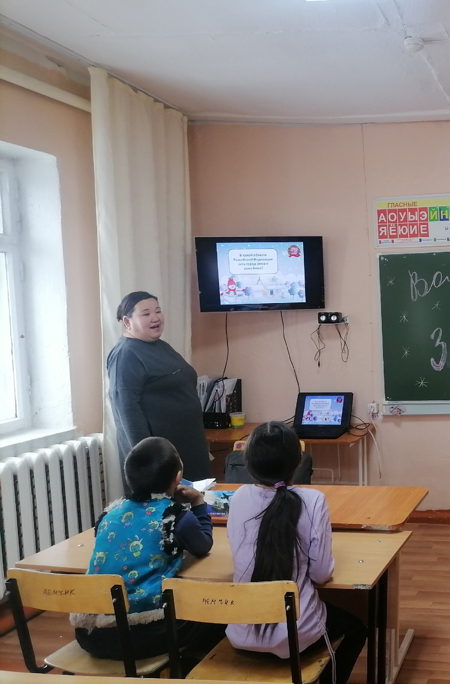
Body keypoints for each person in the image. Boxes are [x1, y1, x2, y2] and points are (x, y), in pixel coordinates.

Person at [226, 422, 367, 684]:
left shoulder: (239, 497)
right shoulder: (312, 500)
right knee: (356, 629)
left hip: (241, 633)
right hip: (295, 635)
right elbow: (321, 574)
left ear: (248, 463)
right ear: (299, 461)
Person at [72, 437, 224, 660]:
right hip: (141, 634)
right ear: (178, 477)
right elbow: (203, 545)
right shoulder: (173, 516)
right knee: (218, 613)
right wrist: (198, 503)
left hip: (90, 634)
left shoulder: (110, 512)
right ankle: (187, 669)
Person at [107, 291, 212, 484]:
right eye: (146, 314)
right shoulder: (126, 355)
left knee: (197, 499)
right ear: (127, 321)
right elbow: (127, 411)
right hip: (161, 458)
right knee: (171, 503)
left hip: (188, 446)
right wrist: (148, 461)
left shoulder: (160, 346)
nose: (155, 317)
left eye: (158, 311)